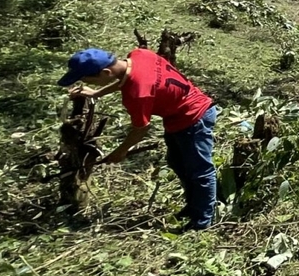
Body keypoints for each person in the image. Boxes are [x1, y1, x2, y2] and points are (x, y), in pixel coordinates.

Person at [59, 47, 219, 231]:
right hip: (177, 116)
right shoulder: (140, 55)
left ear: (105, 72)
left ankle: (202, 222)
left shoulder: (137, 94)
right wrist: (97, 93)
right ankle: (194, 207)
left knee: (200, 171)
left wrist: (121, 151)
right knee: (178, 164)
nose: (89, 83)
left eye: (90, 80)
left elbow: (141, 129)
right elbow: (125, 79)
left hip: (194, 117)